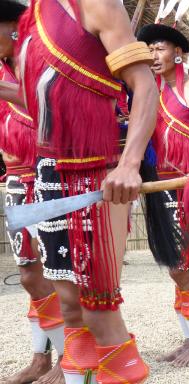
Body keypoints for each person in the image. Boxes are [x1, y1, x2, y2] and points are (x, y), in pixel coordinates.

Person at [18, 0, 157, 381]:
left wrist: (129, 163)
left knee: (99, 308)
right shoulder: (34, 15)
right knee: (69, 306)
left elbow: (144, 85)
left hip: (95, 175)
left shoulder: (97, 5)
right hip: (48, 171)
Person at [137, 23, 189, 367]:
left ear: (178, 53)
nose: (154, 55)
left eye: (160, 48)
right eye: (149, 48)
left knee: (181, 265)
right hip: (157, 187)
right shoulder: (146, 92)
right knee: (172, 266)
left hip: (187, 189)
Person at [0, 2, 64, 383]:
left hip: (44, 177)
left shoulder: (39, 60)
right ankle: (41, 357)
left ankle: (67, 355)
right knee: (27, 273)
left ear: (12, 27)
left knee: (55, 271)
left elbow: (52, 106)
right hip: (15, 178)